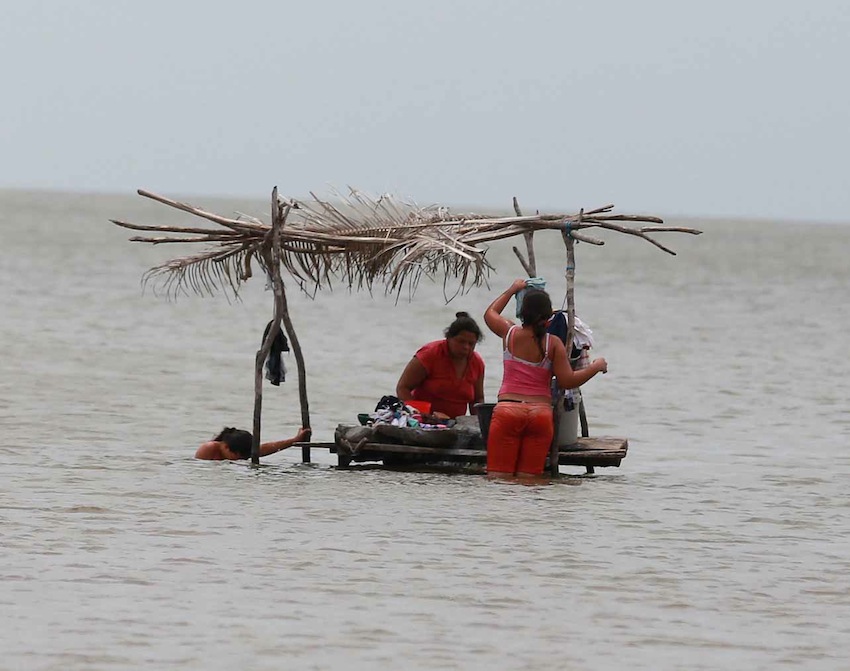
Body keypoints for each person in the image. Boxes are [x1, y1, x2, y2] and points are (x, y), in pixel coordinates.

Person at [483, 280, 608, 479]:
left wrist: (513, 289)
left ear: (522, 312)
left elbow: (490, 313)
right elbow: (567, 381)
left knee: (498, 479)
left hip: (508, 410)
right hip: (539, 415)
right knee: (530, 481)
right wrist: (595, 366)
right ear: (549, 315)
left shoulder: (509, 333)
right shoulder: (553, 343)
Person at [395, 311, 485, 418]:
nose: (466, 347)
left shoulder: (477, 363)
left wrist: (480, 423)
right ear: (449, 338)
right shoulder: (429, 355)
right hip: (424, 420)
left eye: (471, 344)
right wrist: (420, 415)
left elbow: (477, 399)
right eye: (461, 341)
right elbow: (403, 388)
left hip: (455, 424)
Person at [195, 426, 311, 460]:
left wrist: (294, 440)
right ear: (225, 447)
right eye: (238, 456)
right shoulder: (209, 449)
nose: (241, 459)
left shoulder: (241, 450)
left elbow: (265, 448)